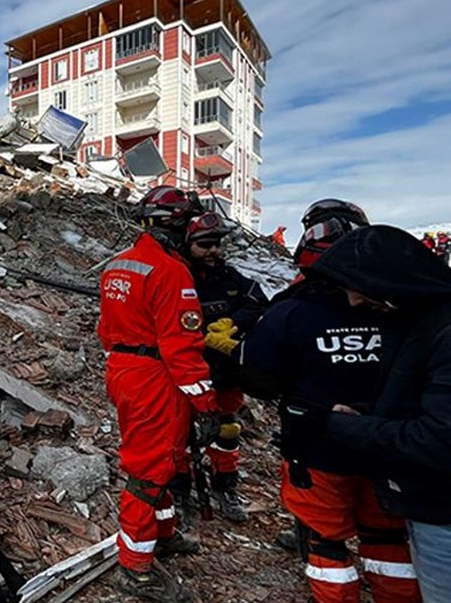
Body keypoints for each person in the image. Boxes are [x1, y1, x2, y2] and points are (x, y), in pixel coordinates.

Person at [205, 210, 420, 603]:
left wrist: (235, 351)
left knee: (326, 543)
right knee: (388, 541)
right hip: (390, 445)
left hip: (318, 449)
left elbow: (261, 378)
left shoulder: (293, 311)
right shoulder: (406, 312)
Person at [301, 224, 451, 600]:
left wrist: (347, 427)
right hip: (426, 503)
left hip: (442, 511)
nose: (352, 303)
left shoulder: (443, 331)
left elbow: (440, 439)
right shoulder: (418, 322)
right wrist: (370, 414)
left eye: (357, 289)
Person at [98, 185, 219, 602]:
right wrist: (206, 405)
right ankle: (135, 568)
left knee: (164, 461)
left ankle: (162, 534)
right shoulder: (170, 271)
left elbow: (106, 330)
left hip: (124, 369)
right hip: (155, 377)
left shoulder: (120, 264)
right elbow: (182, 348)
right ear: (179, 226)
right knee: (150, 471)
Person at [168, 213, 268, 525]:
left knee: (226, 431)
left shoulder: (230, 278)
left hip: (224, 372)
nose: (213, 250)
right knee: (181, 434)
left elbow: (258, 302)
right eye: (204, 244)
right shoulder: (178, 276)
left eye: (216, 243)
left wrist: (233, 324)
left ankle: (225, 487)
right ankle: (181, 493)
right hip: (187, 371)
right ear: (188, 244)